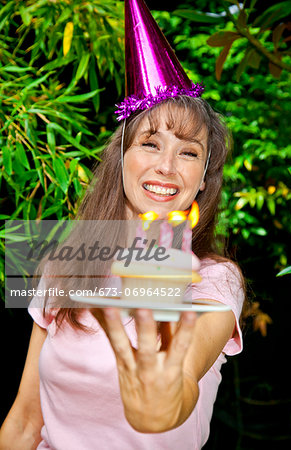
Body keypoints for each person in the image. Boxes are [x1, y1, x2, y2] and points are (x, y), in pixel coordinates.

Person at [0, 1, 245, 449]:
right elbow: (23, 420)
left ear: (203, 179)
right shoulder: (62, 261)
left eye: (188, 151)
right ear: (121, 159)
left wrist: (162, 402)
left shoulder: (213, 278)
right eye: (150, 143)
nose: (167, 166)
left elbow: (183, 374)